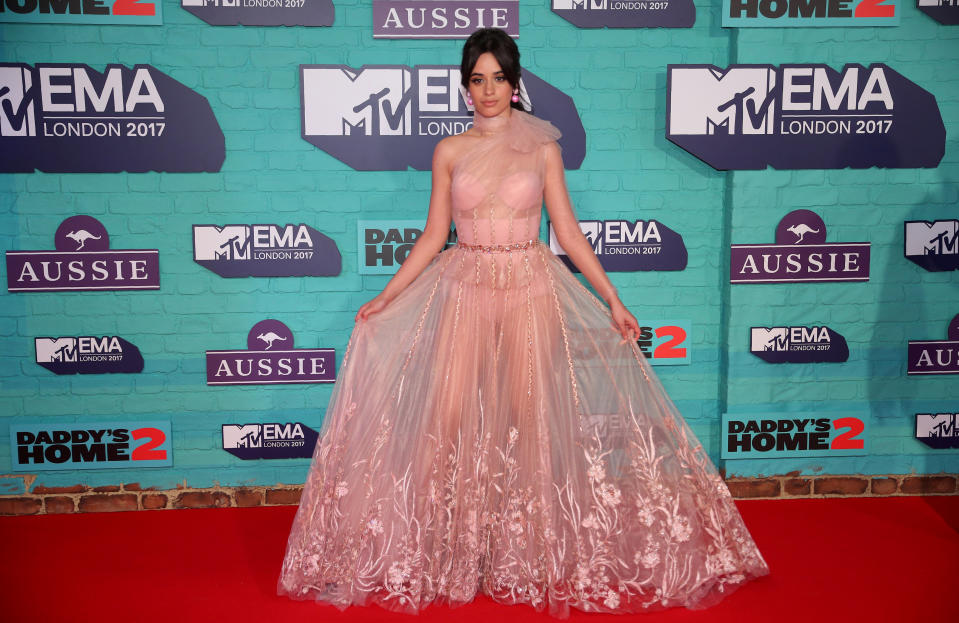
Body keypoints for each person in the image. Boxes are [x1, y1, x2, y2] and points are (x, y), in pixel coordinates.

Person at [278, 28, 768, 618]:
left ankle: (523, 553)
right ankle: (451, 551)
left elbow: (567, 233)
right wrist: (386, 296)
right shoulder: (449, 151)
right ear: (465, 88)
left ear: (516, 84)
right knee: (451, 416)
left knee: (523, 418)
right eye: (477, 80)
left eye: (499, 78)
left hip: (528, 289)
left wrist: (612, 298)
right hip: (463, 288)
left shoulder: (542, 149)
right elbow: (436, 235)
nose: (488, 90)